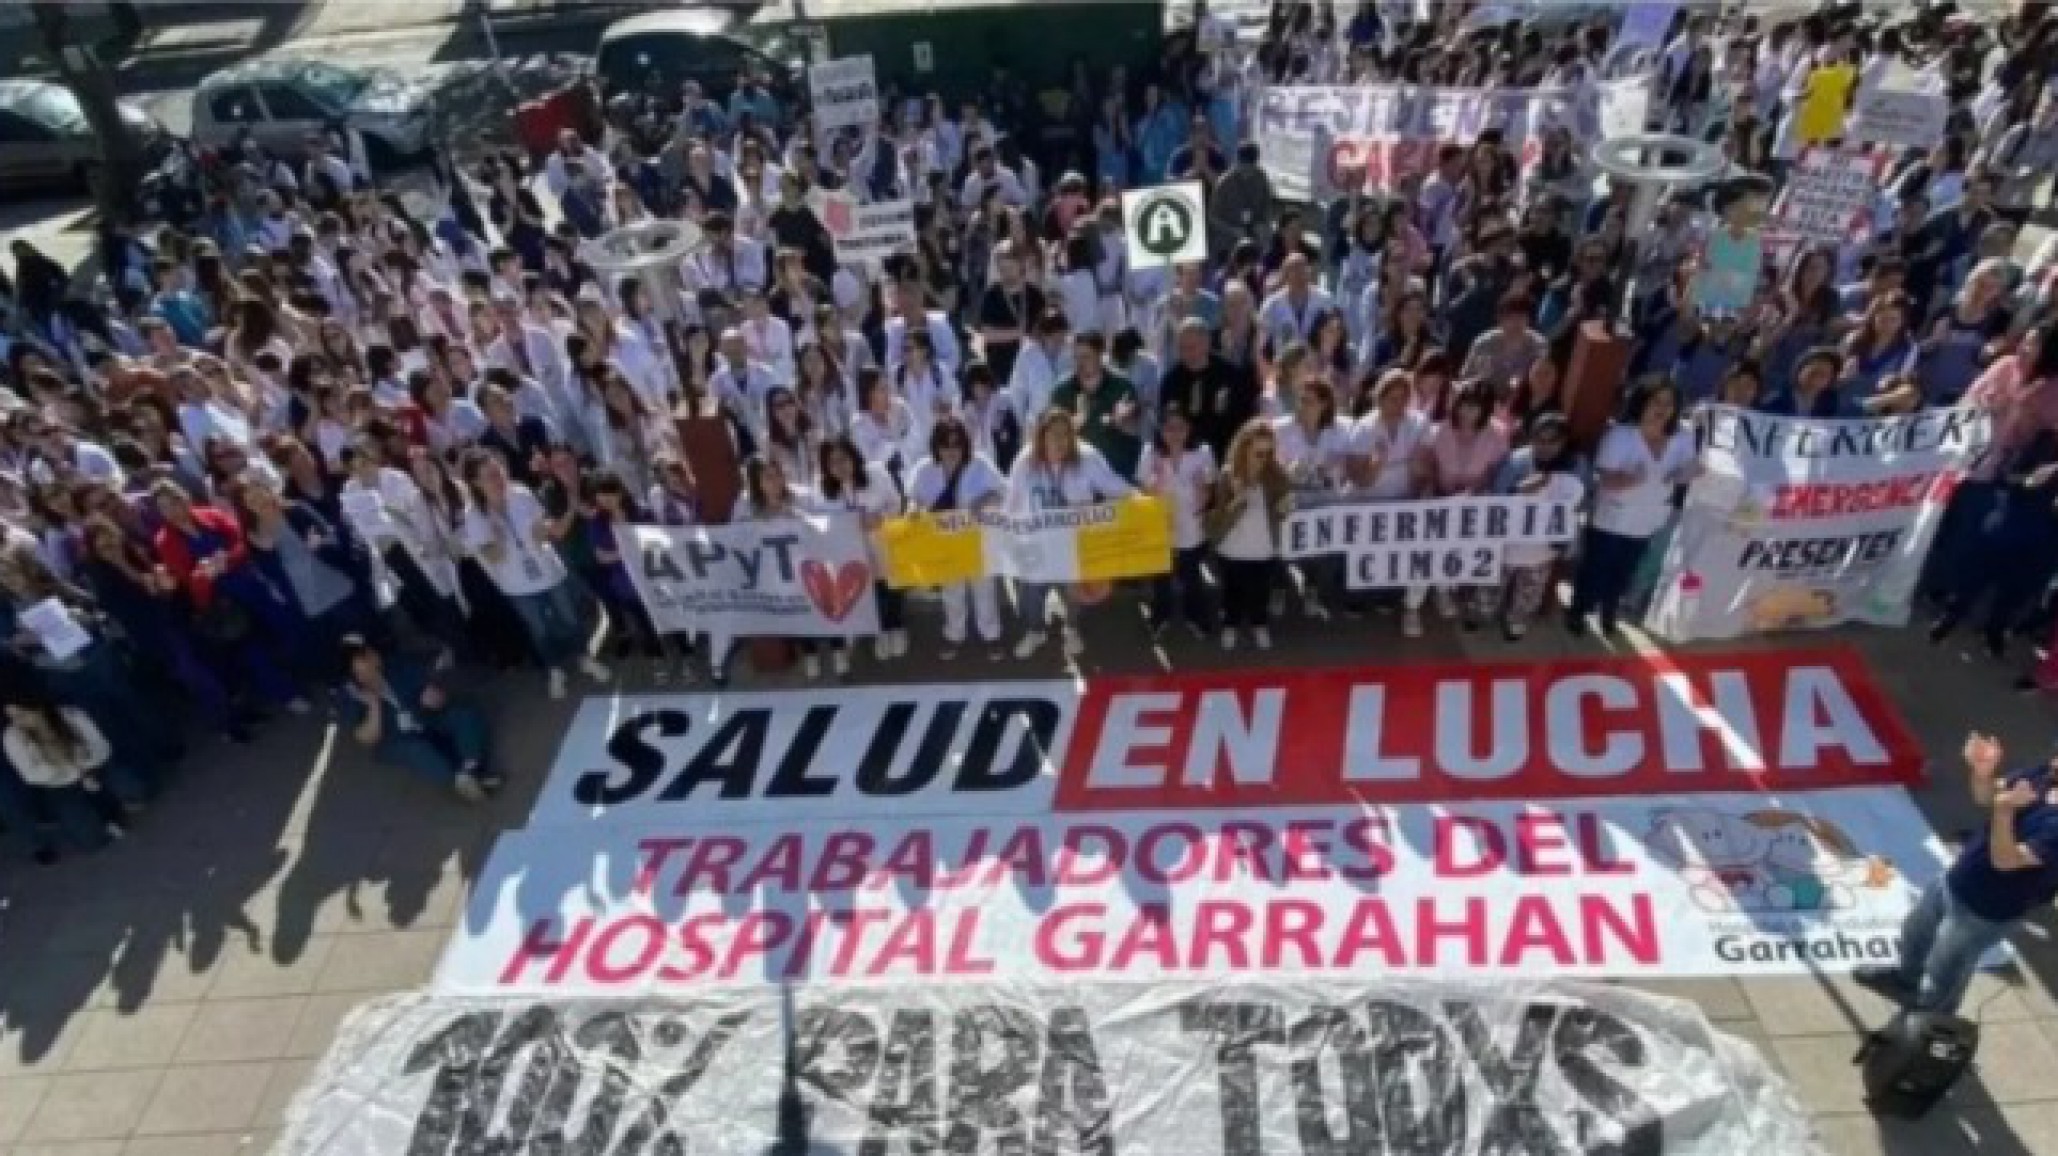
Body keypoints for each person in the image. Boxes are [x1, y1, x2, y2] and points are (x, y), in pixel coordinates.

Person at [1856, 733, 2058, 1015]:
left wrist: (2004, 811)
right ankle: (1904, 979)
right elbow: (1987, 796)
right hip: (1958, 878)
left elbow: (2006, 861)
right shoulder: (2045, 775)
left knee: (1945, 968)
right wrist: (1982, 773)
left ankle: (1931, 1020)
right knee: (1916, 932)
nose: (2054, 760)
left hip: (1988, 909)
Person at [458, 448, 609, 699]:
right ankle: (555, 670)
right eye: (490, 476)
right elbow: (494, 557)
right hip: (517, 586)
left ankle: (584, 657)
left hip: (549, 572)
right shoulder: (473, 515)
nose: (499, 479)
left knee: (569, 618)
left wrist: (546, 527)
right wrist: (496, 533)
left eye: (499, 472)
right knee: (540, 630)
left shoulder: (521, 494)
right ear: (475, 483)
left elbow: (543, 532)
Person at [1569, 380, 1697, 636]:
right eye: (1656, 402)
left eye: (1668, 403)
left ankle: (1609, 611)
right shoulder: (1620, 435)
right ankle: (1579, 611)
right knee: (1596, 568)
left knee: (1625, 571)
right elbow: (1604, 479)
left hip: (1648, 520)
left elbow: (1689, 468)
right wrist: (1629, 480)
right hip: (1612, 519)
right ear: (1641, 403)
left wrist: (1688, 473)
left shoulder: (1683, 436)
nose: (1662, 409)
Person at [338, 633, 497, 802]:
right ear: (354, 673)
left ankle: (472, 768)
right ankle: (459, 780)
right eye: (363, 658)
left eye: (369, 651)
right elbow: (367, 738)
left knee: (464, 714)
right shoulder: (351, 696)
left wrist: (434, 698)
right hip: (396, 740)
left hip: (424, 717)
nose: (372, 657)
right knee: (417, 751)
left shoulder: (397, 665)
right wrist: (374, 705)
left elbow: (434, 693)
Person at [1205, 418, 1292, 652]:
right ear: (1244, 448)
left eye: (1269, 453)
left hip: (1264, 548)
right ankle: (1230, 625)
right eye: (1258, 453)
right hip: (1232, 548)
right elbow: (1219, 518)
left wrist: (1285, 507)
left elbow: (1282, 509)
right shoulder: (1228, 475)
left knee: (1260, 593)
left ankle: (1259, 625)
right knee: (1232, 592)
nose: (1264, 459)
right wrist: (1237, 501)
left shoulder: (1276, 474)